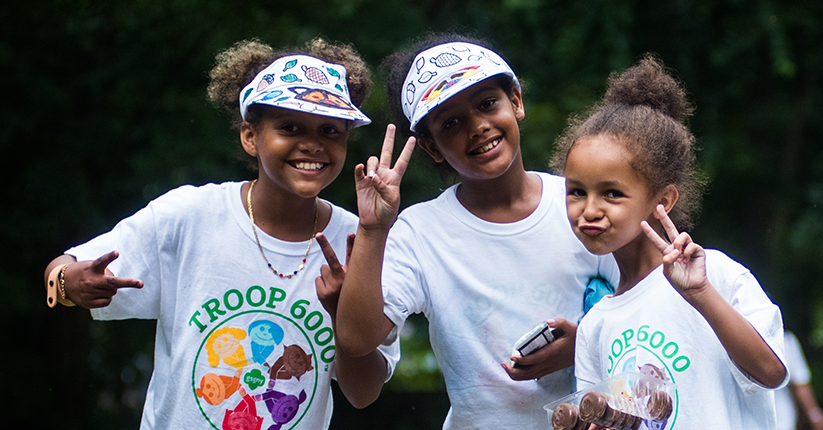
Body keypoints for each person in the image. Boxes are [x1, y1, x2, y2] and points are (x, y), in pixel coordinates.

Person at [40, 39, 403, 429]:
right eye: (290, 127)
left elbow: (363, 394)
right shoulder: (190, 216)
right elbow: (62, 268)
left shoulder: (361, 238)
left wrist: (340, 314)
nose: (313, 143)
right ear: (250, 136)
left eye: (330, 130)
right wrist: (66, 282)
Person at [331, 34, 617, 428]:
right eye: (451, 123)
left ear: (515, 101)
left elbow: (651, 306)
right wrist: (373, 228)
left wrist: (583, 346)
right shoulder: (420, 232)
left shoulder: (580, 204)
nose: (478, 126)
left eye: (487, 104)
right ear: (432, 148)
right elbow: (357, 340)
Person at [557, 56, 788, 429]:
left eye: (612, 194)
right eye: (577, 192)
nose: (589, 210)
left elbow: (770, 372)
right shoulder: (596, 324)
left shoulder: (713, 275)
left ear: (662, 201)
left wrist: (701, 295)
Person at [775, 333, 823, 430]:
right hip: (781, 421)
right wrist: (816, 419)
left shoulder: (786, 340)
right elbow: (800, 385)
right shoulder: (784, 340)